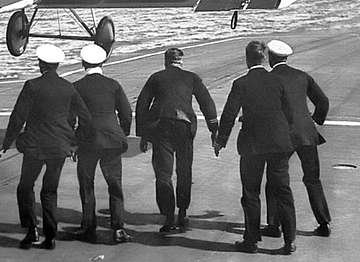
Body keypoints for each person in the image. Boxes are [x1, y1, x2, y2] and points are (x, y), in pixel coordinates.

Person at [0, 44, 92, 250]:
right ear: (57, 65)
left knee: (25, 186)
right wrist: (75, 143)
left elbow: (18, 117)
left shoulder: (32, 86)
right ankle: (50, 236)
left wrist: (7, 142)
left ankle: (31, 230)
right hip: (59, 147)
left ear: (41, 65)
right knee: (49, 191)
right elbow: (85, 117)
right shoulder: (69, 87)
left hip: (34, 146)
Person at [214, 41, 296, 255]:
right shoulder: (278, 81)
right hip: (278, 144)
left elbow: (229, 115)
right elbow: (289, 113)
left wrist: (220, 140)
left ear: (247, 59)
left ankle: (251, 241)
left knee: (250, 193)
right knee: (283, 191)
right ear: (264, 58)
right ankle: (289, 241)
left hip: (252, 145)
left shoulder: (240, 83)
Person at [135, 47, 217, 233]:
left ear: (165, 62)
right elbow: (206, 102)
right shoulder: (191, 77)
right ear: (181, 61)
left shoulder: (156, 77)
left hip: (161, 127)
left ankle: (168, 216)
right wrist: (214, 129)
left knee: (163, 173)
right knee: (184, 170)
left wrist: (143, 135)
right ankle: (183, 211)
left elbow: (142, 105)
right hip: (184, 127)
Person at [262, 39, 331, 238]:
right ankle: (324, 222)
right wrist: (314, 121)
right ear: (286, 57)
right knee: (313, 179)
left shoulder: (269, 79)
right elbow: (323, 102)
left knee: (275, 181)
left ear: (271, 57)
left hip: (281, 136)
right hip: (307, 134)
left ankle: (274, 225)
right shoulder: (302, 76)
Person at [72, 44, 132, 244]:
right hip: (112, 140)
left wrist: (72, 143)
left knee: (86, 185)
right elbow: (126, 113)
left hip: (87, 142)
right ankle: (118, 228)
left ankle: (88, 227)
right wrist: (123, 133)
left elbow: (70, 119)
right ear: (103, 62)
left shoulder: (76, 86)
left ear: (83, 63)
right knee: (115, 184)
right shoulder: (113, 85)